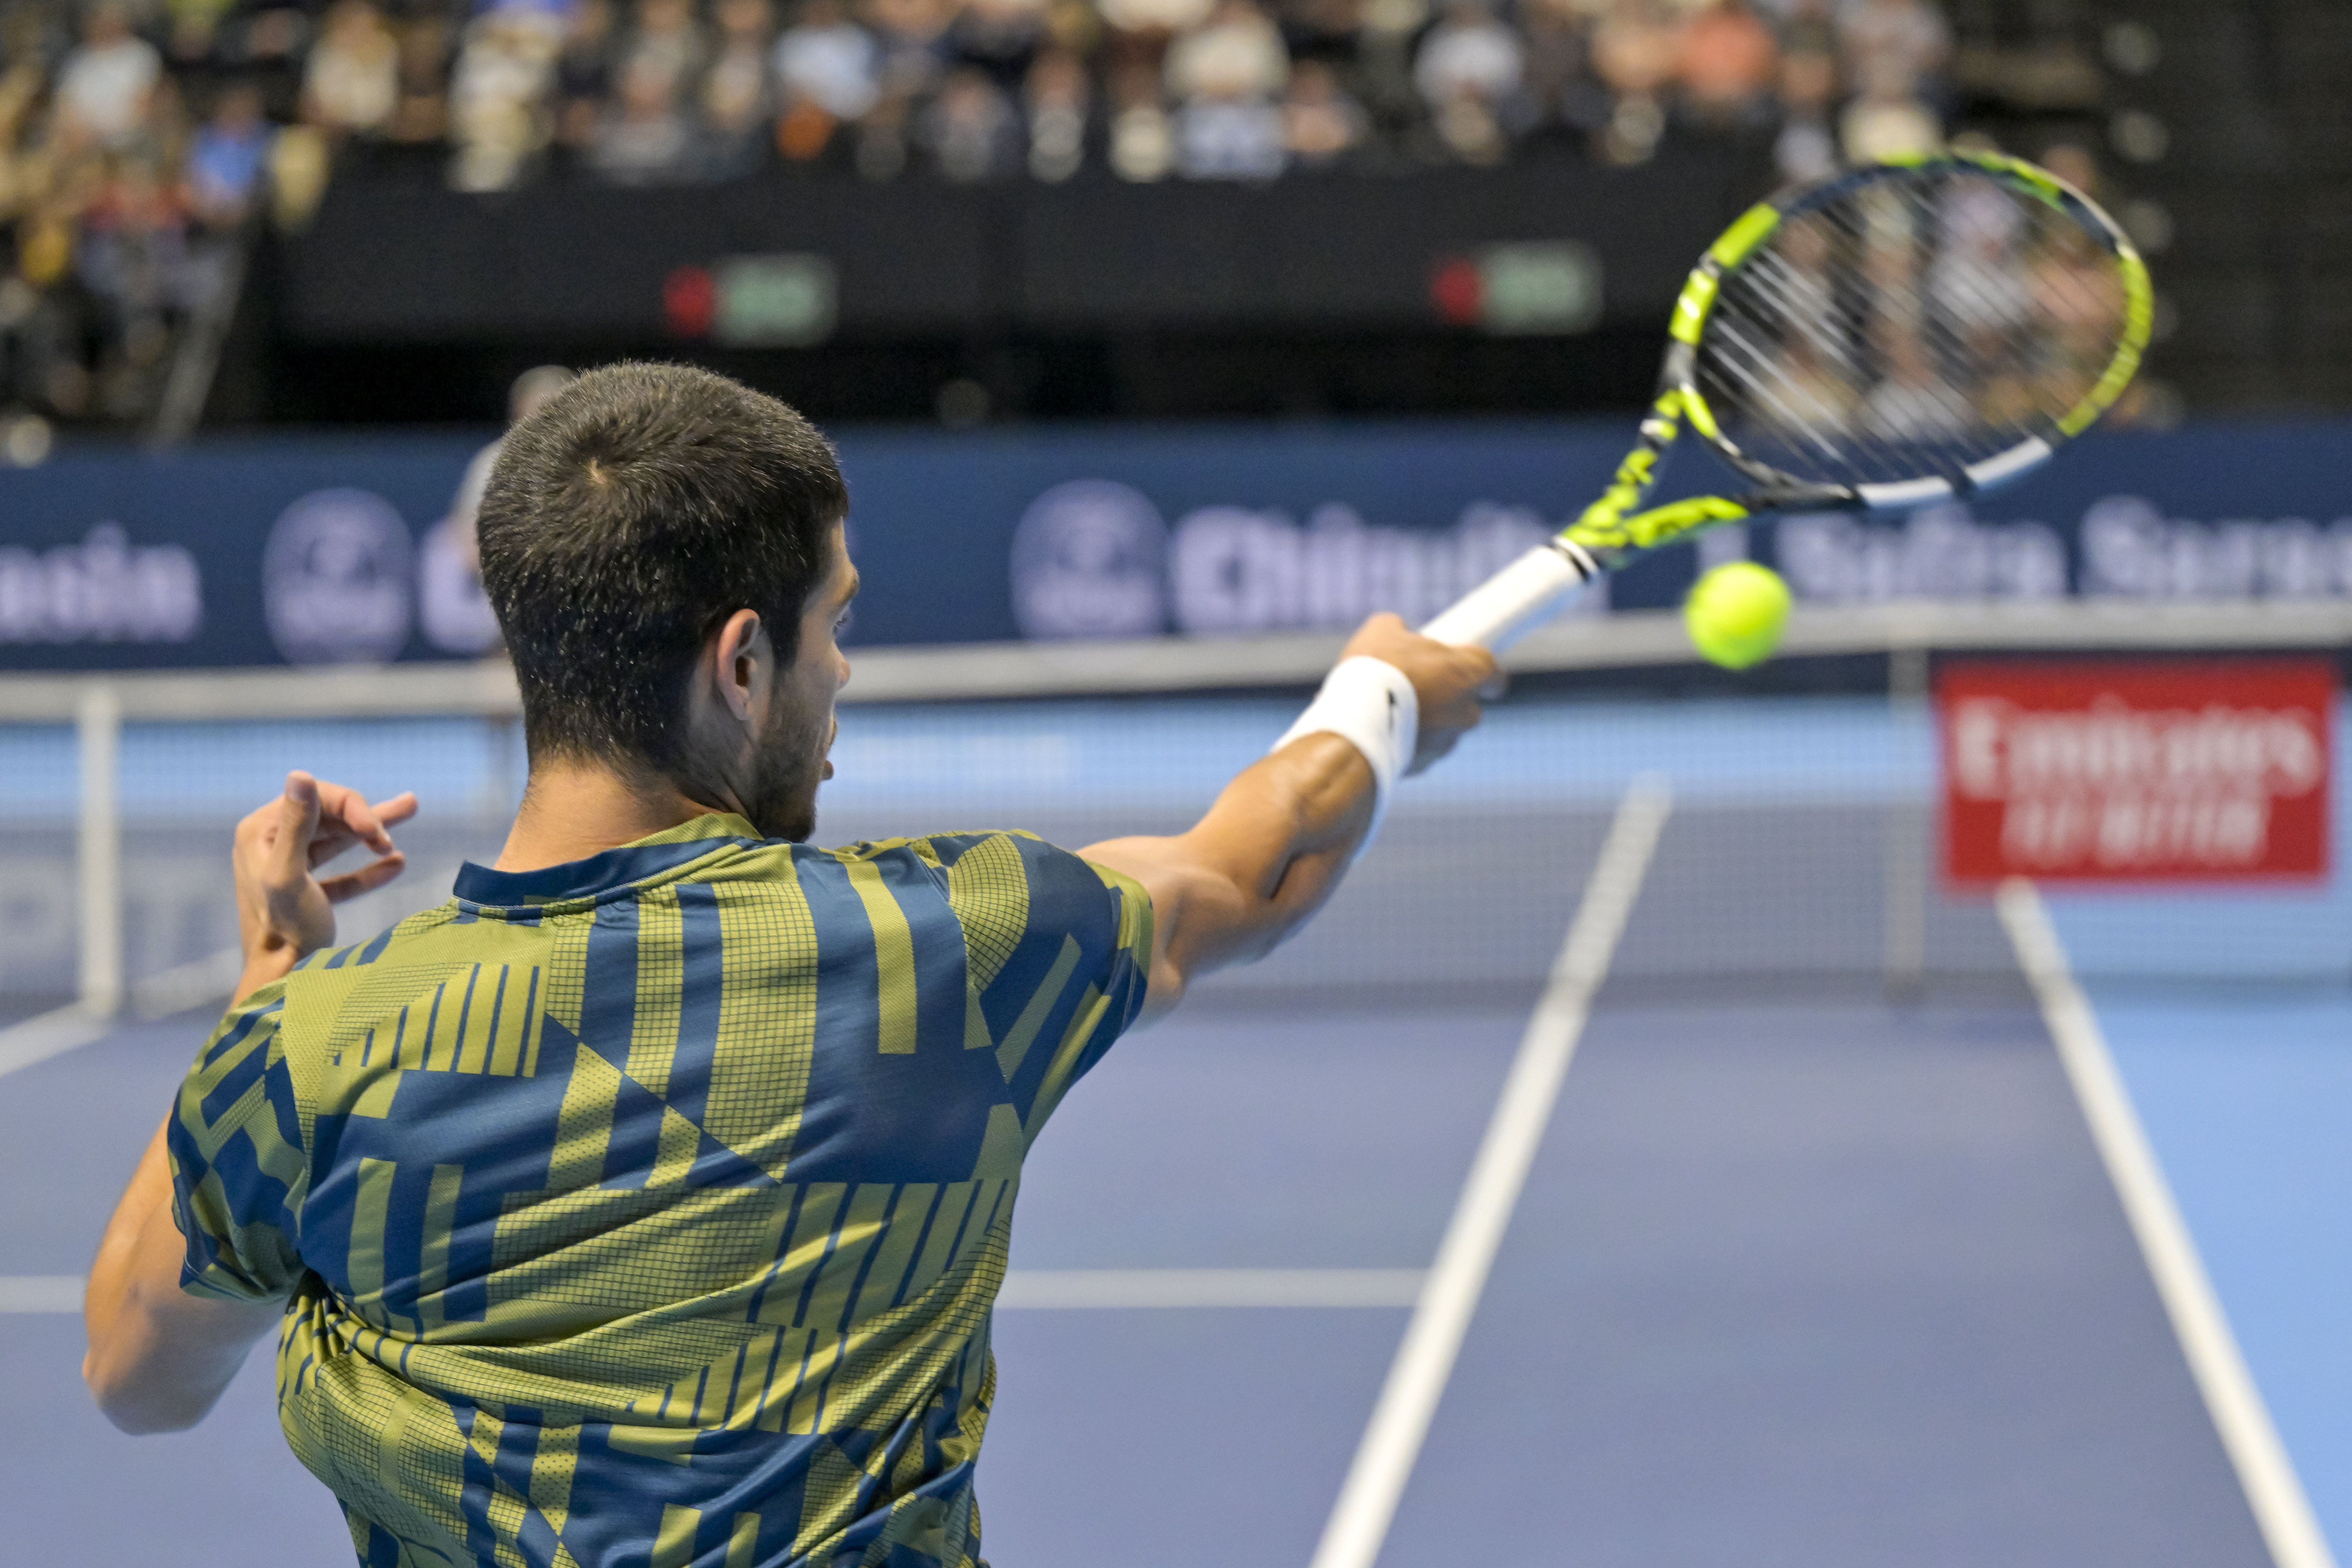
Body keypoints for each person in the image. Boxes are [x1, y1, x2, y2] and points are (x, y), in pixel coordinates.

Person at [81, 362, 1502, 1568]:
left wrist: (275, 972)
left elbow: (135, 1377)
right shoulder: (955, 946)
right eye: (837, 621)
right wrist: (1381, 696)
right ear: (743, 663)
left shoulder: (316, 1044)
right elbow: (1252, 867)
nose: (845, 671)